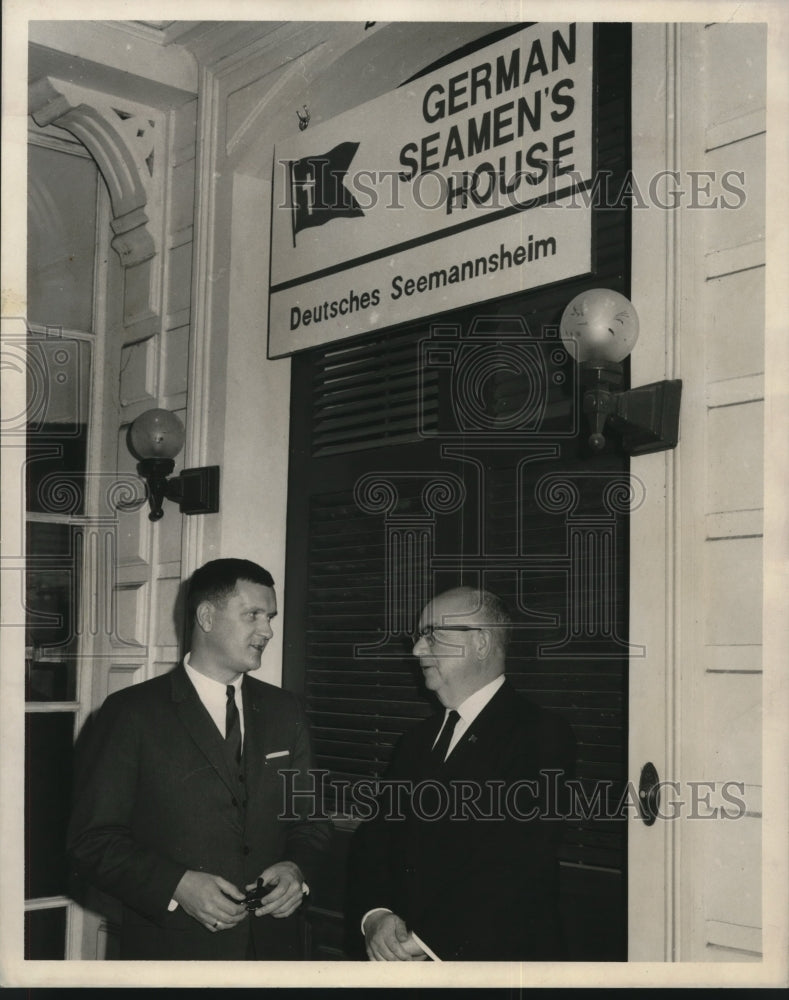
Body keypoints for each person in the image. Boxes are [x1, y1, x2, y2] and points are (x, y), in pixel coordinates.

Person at [67, 558, 331, 960]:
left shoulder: (285, 710)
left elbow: (310, 820)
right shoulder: (131, 712)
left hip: (275, 951)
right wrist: (176, 885)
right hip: (171, 954)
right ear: (206, 616)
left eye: (271, 617)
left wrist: (297, 869)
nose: (268, 630)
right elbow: (90, 841)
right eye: (254, 615)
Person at [352, 586, 576, 962]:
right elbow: (375, 838)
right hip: (400, 962)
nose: (417, 650)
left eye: (432, 635)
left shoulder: (541, 735)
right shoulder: (414, 741)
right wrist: (375, 916)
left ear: (482, 642)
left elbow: (515, 862)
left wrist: (425, 941)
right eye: (418, 636)